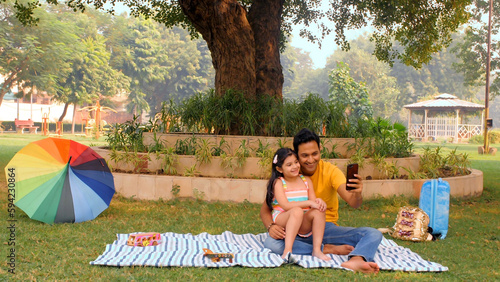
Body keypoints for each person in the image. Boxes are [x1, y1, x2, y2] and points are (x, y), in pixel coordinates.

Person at [260, 128, 382, 274]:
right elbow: (266, 209)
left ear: (320, 150)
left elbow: (353, 202)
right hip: (291, 227)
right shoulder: (286, 175)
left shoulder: (330, 172)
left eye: (314, 154)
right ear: (296, 155)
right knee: (271, 242)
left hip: (324, 229)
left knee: (373, 234)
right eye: (304, 155)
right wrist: (270, 226)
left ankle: (356, 259)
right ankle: (329, 248)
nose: (310, 160)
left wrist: (357, 194)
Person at [265, 148, 330, 261]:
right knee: (296, 210)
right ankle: (288, 251)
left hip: (301, 220)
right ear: (280, 169)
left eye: (296, 162)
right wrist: (308, 202)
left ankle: (317, 250)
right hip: (283, 218)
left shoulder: (306, 180)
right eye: (289, 165)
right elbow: (285, 205)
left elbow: (313, 203)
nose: (295, 166)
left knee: (318, 210)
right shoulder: (279, 183)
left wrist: (319, 202)